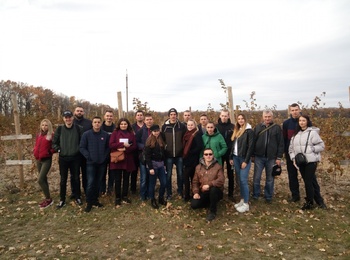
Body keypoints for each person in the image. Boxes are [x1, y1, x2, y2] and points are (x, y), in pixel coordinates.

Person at [289, 115, 327, 210]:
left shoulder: (312, 133)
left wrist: (312, 149)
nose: (301, 122)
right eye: (300, 121)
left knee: (308, 181)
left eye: (303, 120)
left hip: (311, 161)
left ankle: (309, 202)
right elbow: (291, 149)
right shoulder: (295, 135)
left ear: (307, 121)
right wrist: (293, 159)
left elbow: (321, 146)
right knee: (312, 181)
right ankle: (319, 201)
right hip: (300, 162)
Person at [52, 110, 83, 209]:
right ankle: (62, 199)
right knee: (63, 179)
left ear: (72, 118)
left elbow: (82, 142)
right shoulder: (60, 129)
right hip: (63, 158)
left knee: (76, 178)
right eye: (66, 117)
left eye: (69, 117)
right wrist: (59, 149)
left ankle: (78, 197)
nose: (68, 119)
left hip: (75, 158)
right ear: (63, 118)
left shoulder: (78, 128)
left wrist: (78, 150)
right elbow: (54, 143)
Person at [252, 110, 284, 204]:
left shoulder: (277, 128)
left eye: (269, 117)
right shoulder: (258, 127)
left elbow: (281, 143)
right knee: (256, 177)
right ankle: (255, 195)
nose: (267, 118)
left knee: (270, 178)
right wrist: (252, 154)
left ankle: (268, 196)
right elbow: (253, 142)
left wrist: (278, 157)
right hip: (259, 157)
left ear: (272, 117)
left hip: (271, 158)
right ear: (263, 117)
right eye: (265, 117)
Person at [80, 116, 110, 212]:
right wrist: (88, 156)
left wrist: (104, 157)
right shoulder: (86, 134)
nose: (97, 124)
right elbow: (82, 147)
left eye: (98, 122)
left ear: (101, 123)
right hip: (90, 163)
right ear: (92, 124)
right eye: (95, 122)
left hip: (102, 163)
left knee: (98, 182)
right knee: (90, 182)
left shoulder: (105, 135)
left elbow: (108, 148)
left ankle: (95, 200)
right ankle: (89, 202)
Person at [191, 148, 225, 222]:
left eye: (210, 154)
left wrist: (209, 185)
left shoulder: (218, 166)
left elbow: (221, 180)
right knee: (194, 205)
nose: (208, 156)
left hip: (215, 191)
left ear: (213, 156)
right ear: (203, 156)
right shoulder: (198, 167)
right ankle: (210, 202)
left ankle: (213, 212)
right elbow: (195, 181)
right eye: (206, 154)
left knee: (213, 190)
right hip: (204, 191)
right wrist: (196, 192)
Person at [229, 114, 254, 213]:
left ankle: (246, 203)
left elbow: (250, 147)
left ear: (245, 119)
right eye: (238, 119)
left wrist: (246, 161)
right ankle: (242, 200)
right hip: (236, 157)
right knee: (239, 180)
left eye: (242, 118)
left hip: (244, 158)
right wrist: (231, 157)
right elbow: (233, 145)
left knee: (243, 180)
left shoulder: (249, 131)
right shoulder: (237, 130)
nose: (240, 120)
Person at [109, 118, 137, 206]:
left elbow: (134, 146)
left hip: (128, 158)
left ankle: (124, 195)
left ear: (128, 125)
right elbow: (111, 144)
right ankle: (118, 197)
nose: (123, 125)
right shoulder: (115, 133)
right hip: (118, 158)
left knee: (126, 179)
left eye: (125, 124)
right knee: (117, 179)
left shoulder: (131, 134)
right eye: (122, 124)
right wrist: (121, 145)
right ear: (119, 125)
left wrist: (126, 148)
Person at [162, 108, 187, 200]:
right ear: (169, 116)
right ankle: (169, 193)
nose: (173, 116)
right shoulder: (165, 127)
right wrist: (165, 150)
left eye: (174, 114)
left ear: (177, 115)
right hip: (168, 155)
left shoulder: (181, 126)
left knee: (180, 174)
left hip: (179, 155)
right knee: (168, 175)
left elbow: (184, 139)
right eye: (171, 114)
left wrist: (183, 150)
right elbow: (162, 140)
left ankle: (180, 191)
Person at [144, 125, 167, 209]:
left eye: (157, 131)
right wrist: (150, 168)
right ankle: (152, 199)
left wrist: (164, 165)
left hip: (161, 164)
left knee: (164, 182)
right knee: (152, 184)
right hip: (153, 165)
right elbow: (147, 156)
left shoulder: (161, 139)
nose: (156, 132)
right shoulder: (149, 141)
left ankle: (161, 198)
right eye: (154, 131)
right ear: (151, 132)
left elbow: (164, 153)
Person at [33, 119, 55, 209]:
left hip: (46, 159)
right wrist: (34, 151)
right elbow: (37, 145)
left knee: (40, 179)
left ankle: (49, 199)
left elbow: (55, 146)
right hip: (38, 159)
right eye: (43, 125)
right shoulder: (38, 135)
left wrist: (49, 152)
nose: (44, 127)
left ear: (49, 126)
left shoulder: (51, 135)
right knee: (44, 179)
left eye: (46, 125)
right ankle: (47, 197)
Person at [283, 103, 302, 202]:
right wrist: (284, 151)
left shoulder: (304, 121)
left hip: (303, 153)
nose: (294, 112)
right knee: (292, 175)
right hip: (290, 153)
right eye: (293, 110)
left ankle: (313, 197)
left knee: (307, 176)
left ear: (299, 110)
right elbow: (285, 138)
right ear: (290, 111)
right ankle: (295, 196)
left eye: (296, 110)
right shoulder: (286, 123)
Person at [216, 109, 234, 201]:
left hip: (230, 154)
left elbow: (235, 140)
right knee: (219, 173)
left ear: (228, 116)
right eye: (222, 115)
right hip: (219, 154)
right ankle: (220, 193)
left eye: (225, 116)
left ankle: (231, 194)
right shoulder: (216, 127)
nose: (224, 117)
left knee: (230, 174)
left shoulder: (233, 127)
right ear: (220, 116)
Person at [182, 119, 203, 201]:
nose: (190, 126)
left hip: (193, 159)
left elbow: (199, 147)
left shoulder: (197, 134)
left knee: (193, 179)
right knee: (186, 178)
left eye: (191, 125)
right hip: (186, 159)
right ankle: (187, 194)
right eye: (188, 125)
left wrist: (190, 152)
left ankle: (194, 194)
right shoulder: (186, 134)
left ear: (195, 125)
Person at [73, 106, 92, 195]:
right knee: (74, 174)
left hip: (85, 152)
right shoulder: (71, 122)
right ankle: (75, 192)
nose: (79, 112)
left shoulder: (89, 123)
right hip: (74, 152)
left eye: (81, 111)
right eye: (78, 111)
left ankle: (86, 190)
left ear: (83, 112)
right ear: (74, 112)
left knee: (86, 174)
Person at [136, 113, 154, 201]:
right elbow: (136, 142)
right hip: (143, 157)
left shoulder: (156, 130)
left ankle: (150, 194)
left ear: (152, 120)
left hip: (153, 158)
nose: (149, 121)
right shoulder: (141, 131)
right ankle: (143, 195)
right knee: (143, 178)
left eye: (150, 119)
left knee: (151, 177)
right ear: (144, 121)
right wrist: (144, 147)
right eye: (147, 120)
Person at [101, 109, 116, 196]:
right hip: (102, 153)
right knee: (102, 172)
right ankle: (102, 189)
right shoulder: (100, 127)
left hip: (113, 154)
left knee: (112, 173)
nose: (109, 118)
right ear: (104, 117)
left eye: (110, 116)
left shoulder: (115, 128)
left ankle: (110, 189)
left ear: (113, 117)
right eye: (107, 116)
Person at [131, 110, 145, 195]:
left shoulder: (146, 126)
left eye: (141, 115)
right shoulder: (132, 127)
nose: (139, 116)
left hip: (144, 152)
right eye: (138, 115)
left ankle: (144, 188)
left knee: (144, 171)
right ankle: (133, 188)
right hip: (134, 152)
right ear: (135, 117)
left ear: (143, 117)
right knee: (134, 171)